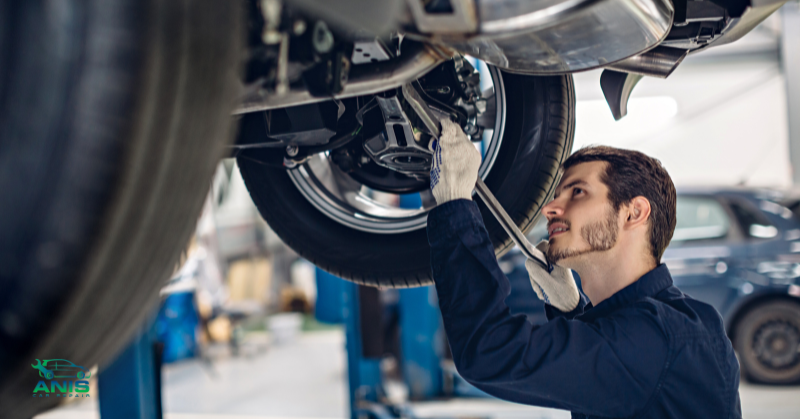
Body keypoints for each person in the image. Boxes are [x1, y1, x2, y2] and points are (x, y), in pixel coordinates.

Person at [426, 119, 742, 418]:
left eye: (578, 192)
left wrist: (456, 205)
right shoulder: (667, 326)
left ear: (634, 213)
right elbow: (610, 362)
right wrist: (572, 309)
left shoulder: (660, 337)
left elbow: (488, 352)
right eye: (556, 195)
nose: (550, 208)